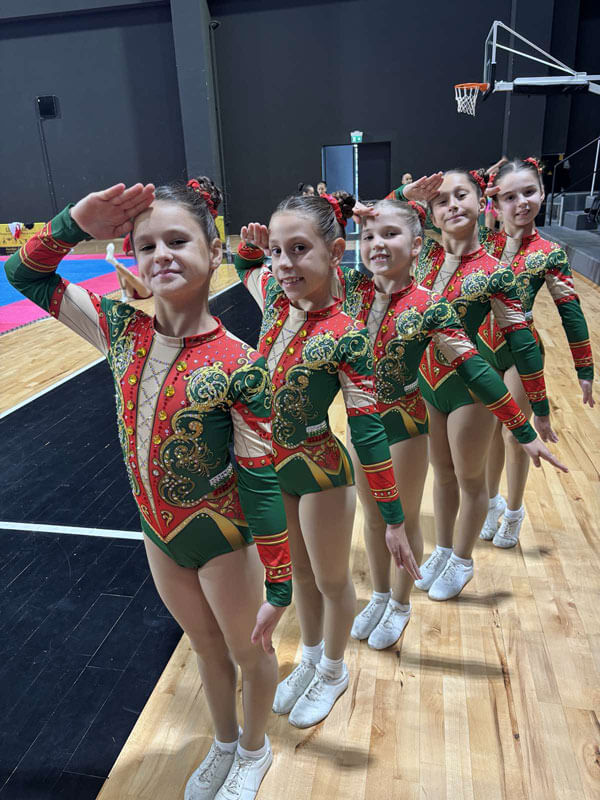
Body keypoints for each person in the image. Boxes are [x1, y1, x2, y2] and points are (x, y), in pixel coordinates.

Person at [5, 178, 292, 800]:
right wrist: (73, 223)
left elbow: (260, 477)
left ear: (214, 251)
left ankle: (254, 748)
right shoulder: (119, 330)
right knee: (205, 646)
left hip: (222, 537)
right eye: (146, 245)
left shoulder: (240, 364)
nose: (161, 253)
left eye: (178, 241)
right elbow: (24, 275)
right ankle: (224, 741)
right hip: (158, 533)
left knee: (249, 652)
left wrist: (279, 577)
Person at [338, 198, 566, 642]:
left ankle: (401, 604)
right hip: (360, 423)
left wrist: (522, 428)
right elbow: (290, 269)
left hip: (405, 424)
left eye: (390, 235)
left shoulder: (430, 306)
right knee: (372, 518)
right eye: (368, 236)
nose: (377, 243)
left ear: (417, 245)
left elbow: (477, 369)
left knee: (402, 518)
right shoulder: (351, 288)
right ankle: (380, 596)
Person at [234, 192, 418, 726]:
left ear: (336, 252)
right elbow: (248, 268)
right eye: (277, 251)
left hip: (321, 475)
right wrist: (252, 248)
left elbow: (368, 431)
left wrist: (393, 518)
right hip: (273, 468)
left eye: (299, 249)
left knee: (332, 582)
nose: (284, 264)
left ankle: (335, 672)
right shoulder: (274, 298)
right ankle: (312, 657)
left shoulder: (347, 336)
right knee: (300, 578)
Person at [412, 168, 567, 600]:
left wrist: (537, 411)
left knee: (469, 479)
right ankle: (444, 550)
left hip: (470, 388)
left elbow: (523, 343)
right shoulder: (424, 256)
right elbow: (385, 215)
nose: (452, 205)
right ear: (431, 214)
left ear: (483, 203)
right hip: (428, 385)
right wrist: (409, 192)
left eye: (461, 195)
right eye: (441, 200)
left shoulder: (496, 273)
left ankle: (462, 560)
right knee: (441, 474)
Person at [478, 157, 594, 547]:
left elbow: (571, 313)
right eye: (510, 196)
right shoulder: (483, 243)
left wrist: (584, 368)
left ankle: (514, 511)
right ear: (497, 202)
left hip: (521, 350)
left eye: (529, 192)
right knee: (488, 433)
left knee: (515, 433)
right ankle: (491, 504)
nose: (521, 203)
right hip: (482, 347)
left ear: (543, 193)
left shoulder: (549, 253)